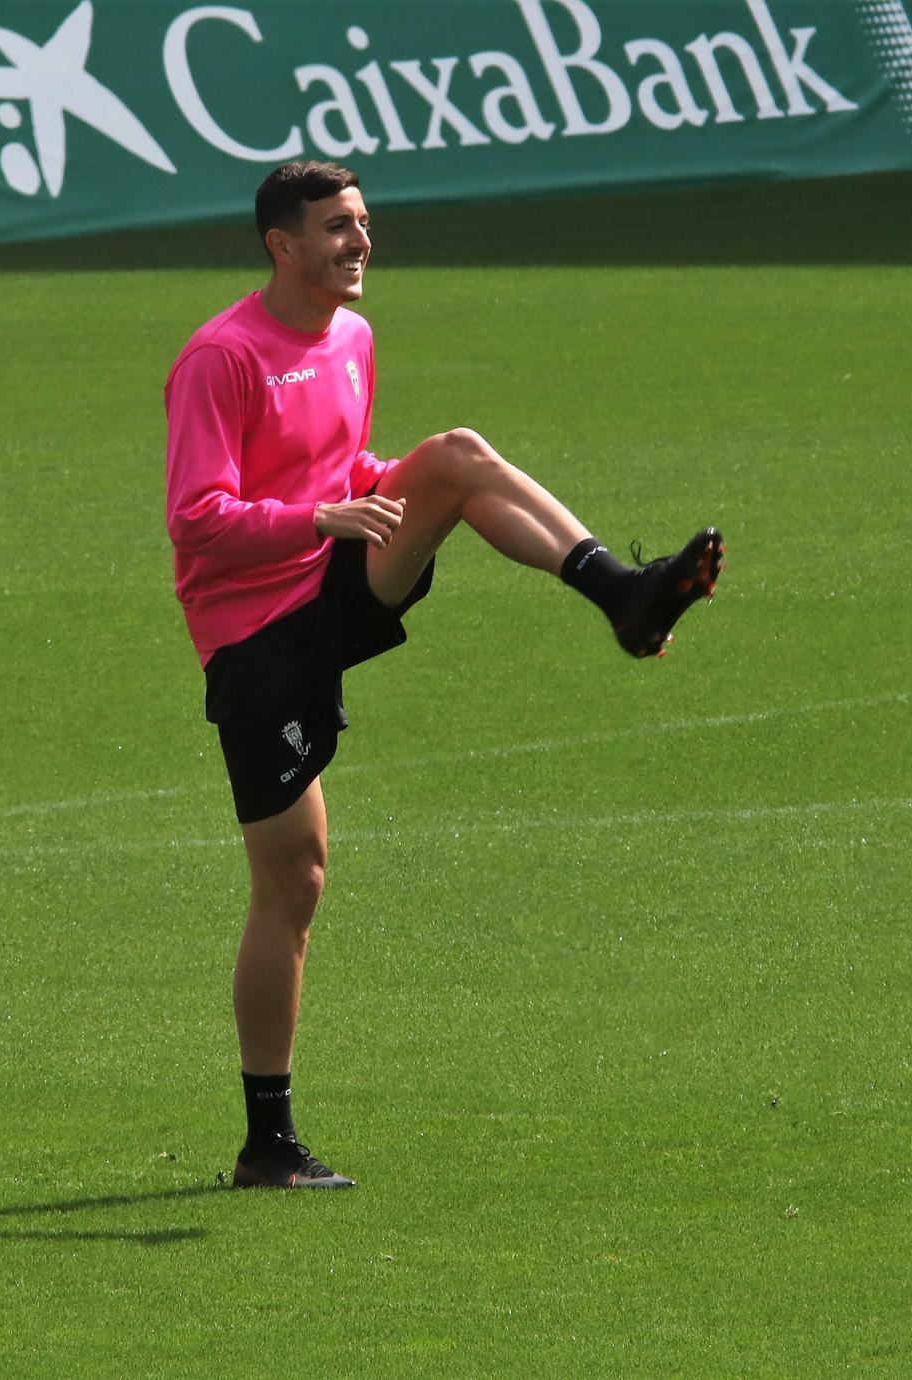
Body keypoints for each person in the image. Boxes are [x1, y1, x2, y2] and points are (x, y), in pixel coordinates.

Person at [164, 161, 723, 1190]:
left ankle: (623, 597)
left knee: (455, 457)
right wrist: (318, 515)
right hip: (257, 637)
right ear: (278, 245)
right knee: (291, 879)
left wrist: (364, 491)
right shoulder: (220, 357)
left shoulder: (351, 339)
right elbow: (197, 519)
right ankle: (265, 1142)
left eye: (363, 223)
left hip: (328, 579)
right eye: (335, 227)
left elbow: (342, 471)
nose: (358, 242)